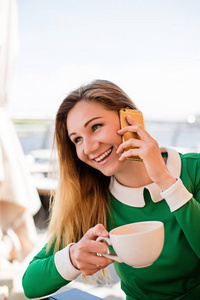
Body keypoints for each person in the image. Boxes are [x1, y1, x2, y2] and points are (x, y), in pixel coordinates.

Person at [22, 80, 200, 300]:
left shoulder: (194, 170)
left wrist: (166, 181)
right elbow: (30, 284)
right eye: (77, 139)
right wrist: (73, 257)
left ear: (130, 120)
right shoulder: (94, 198)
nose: (88, 148)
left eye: (95, 127)